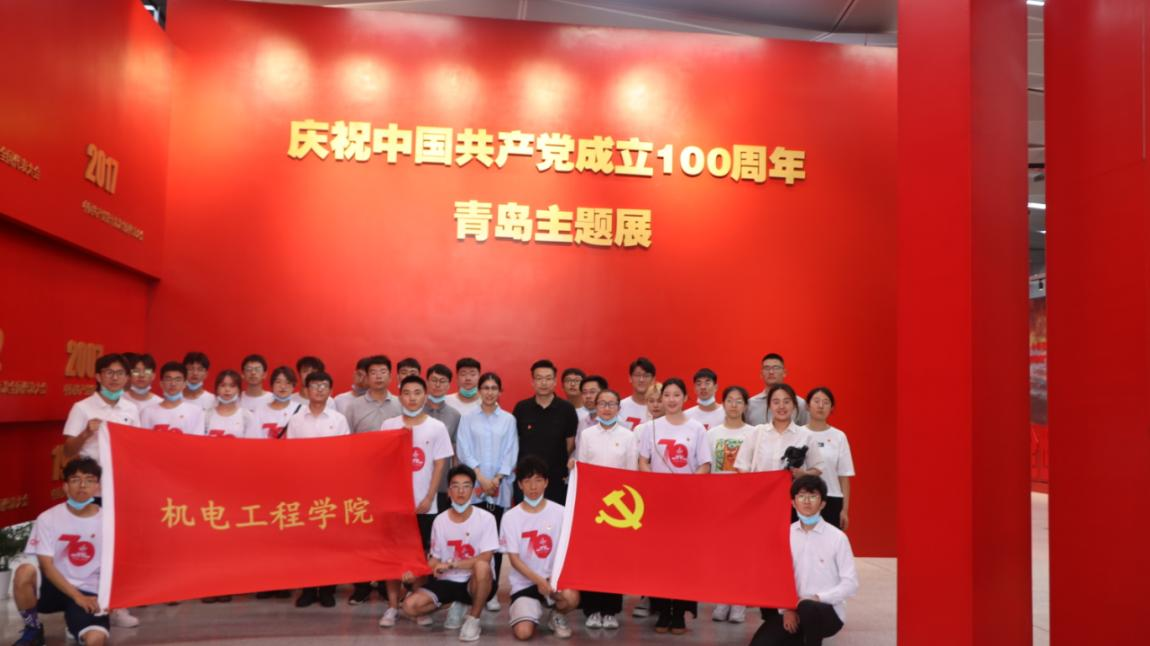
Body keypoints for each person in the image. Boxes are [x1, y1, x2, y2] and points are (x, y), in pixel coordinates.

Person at [376, 375, 454, 628]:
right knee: (393, 556)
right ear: (400, 397)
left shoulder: (436, 427)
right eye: (407, 393)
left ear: (425, 396)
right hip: (394, 505)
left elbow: (440, 464)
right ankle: (391, 607)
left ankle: (416, 603)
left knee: (420, 557)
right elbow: (382, 462)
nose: (412, 398)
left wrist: (430, 497)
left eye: (417, 392)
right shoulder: (389, 425)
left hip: (424, 504)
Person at [10, 458, 112, 646]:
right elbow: (46, 566)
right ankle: (33, 628)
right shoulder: (48, 518)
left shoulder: (110, 521)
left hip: (89, 590)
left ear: (98, 486)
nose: (82, 485)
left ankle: (76, 625)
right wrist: (76, 596)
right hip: (55, 587)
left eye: (89, 480)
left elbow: (120, 563)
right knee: (24, 571)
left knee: (95, 640)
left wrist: (111, 599)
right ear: (65, 486)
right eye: (75, 480)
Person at [637, 378, 710, 634]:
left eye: (676, 395)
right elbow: (643, 460)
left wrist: (688, 488)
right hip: (658, 502)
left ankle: (679, 611)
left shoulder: (697, 428)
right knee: (659, 557)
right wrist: (655, 484)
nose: (670, 400)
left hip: (687, 503)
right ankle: (662, 610)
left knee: (683, 558)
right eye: (666, 395)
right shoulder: (651, 428)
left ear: (685, 398)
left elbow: (705, 464)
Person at [750, 475, 859, 646]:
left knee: (808, 608)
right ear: (793, 503)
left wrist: (818, 598)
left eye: (813, 496)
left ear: (823, 503)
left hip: (827, 611)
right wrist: (786, 610)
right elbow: (777, 578)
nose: (807, 501)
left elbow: (851, 584)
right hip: (793, 611)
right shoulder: (785, 535)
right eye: (801, 496)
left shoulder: (837, 538)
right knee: (760, 643)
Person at [400, 465, 497, 643]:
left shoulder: (486, 519)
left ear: (473, 490)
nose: (461, 491)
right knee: (409, 606)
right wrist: (415, 574)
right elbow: (435, 558)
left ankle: (473, 619)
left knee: (482, 567)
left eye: (466, 486)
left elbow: (486, 557)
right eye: (455, 486)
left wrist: (453, 564)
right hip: (448, 580)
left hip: (474, 582)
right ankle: (455, 603)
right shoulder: (440, 520)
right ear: (449, 491)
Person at [568, 389, 636, 629]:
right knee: (592, 558)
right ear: (595, 407)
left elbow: (631, 473)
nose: (607, 408)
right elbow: (583, 468)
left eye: (611, 404)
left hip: (619, 508)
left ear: (619, 408)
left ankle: (610, 611)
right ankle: (592, 609)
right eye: (602, 404)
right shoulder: (587, 435)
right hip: (594, 505)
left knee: (614, 559)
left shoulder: (629, 436)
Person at [283, 371, 349, 609]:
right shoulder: (296, 420)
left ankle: (328, 589)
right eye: (314, 385)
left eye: (324, 385)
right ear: (306, 390)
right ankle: (308, 589)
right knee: (306, 540)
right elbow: (290, 454)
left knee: (329, 540)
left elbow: (345, 452)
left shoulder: (339, 419)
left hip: (331, 487)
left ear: (330, 390)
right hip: (304, 487)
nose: (319, 389)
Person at [457, 371, 519, 612]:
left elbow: (511, 450)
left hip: (499, 487)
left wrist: (497, 479)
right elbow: (464, 448)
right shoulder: (468, 419)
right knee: (473, 538)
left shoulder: (508, 420)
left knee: (494, 541)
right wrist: (481, 478)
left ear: (500, 391)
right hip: (474, 487)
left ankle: (491, 592)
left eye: (494, 388)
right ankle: (471, 587)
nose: (490, 392)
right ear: (479, 391)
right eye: (486, 388)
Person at [499, 456, 578, 640]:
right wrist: (539, 581)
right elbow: (514, 560)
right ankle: (525, 609)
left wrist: (552, 579)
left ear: (546, 482)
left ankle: (557, 615)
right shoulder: (511, 517)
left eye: (538, 480)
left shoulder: (561, 512)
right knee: (523, 633)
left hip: (553, 582)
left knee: (572, 597)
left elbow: (567, 550)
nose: (533, 487)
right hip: (524, 584)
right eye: (527, 481)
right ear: (520, 485)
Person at [704, 385, 755, 624]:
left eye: (739, 401)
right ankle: (722, 599)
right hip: (719, 501)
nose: (734, 405)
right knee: (722, 553)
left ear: (745, 405)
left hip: (745, 502)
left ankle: (739, 603)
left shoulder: (754, 433)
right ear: (723, 404)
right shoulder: (712, 434)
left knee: (742, 553)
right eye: (730, 400)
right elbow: (707, 467)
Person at [512, 360, 578, 504]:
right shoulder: (521, 408)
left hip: (555, 477)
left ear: (555, 382)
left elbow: (570, 443)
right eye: (539, 378)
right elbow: (515, 441)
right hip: (526, 477)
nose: (544, 383)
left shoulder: (567, 409)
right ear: (533, 382)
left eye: (548, 378)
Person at [62, 353, 140, 462]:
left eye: (120, 373)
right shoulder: (81, 407)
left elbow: (136, 444)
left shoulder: (132, 408)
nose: (115, 378)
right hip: (93, 470)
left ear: (127, 378)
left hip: (121, 468)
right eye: (109, 372)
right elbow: (68, 451)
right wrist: (86, 433)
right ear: (98, 377)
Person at [735, 384, 824, 478]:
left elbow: (817, 467)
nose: (781, 406)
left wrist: (804, 474)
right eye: (776, 402)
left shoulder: (806, 435)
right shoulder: (756, 433)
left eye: (786, 402)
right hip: (761, 487)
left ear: (794, 405)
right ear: (769, 405)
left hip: (795, 487)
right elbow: (742, 465)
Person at [802, 387, 855, 530]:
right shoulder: (798, 434)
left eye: (826, 402)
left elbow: (844, 476)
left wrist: (844, 510)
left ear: (831, 408)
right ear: (807, 406)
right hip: (802, 498)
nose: (821, 406)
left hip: (832, 498)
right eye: (816, 401)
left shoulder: (839, 436)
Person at [425, 363, 463, 511]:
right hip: (416, 481)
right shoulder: (415, 411)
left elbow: (455, 454)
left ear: (448, 385)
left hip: (442, 484)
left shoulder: (454, 415)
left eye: (442, 381)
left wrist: (454, 484)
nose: (437, 385)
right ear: (427, 382)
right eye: (434, 380)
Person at [140, 361, 206, 435]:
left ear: (184, 384)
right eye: (168, 379)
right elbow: (144, 439)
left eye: (178, 380)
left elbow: (197, 440)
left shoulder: (196, 411)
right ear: (161, 384)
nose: (173, 384)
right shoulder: (147, 412)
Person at [343, 355, 401, 435]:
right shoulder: (353, 407)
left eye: (383, 372)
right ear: (367, 378)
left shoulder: (400, 404)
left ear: (390, 377)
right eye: (373, 373)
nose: (378, 376)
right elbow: (347, 437)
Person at [747, 354, 809, 426]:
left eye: (776, 368)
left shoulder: (799, 403)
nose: (771, 372)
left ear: (784, 373)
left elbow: (806, 430)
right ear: (761, 374)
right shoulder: (750, 404)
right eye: (767, 368)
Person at [204, 370, 260, 439]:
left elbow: (253, 442)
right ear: (217, 389)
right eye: (223, 385)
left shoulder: (247, 416)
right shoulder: (206, 415)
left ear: (239, 390)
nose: (227, 389)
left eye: (232, 386)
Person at [253, 366, 302, 440]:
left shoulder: (301, 410)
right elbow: (254, 440)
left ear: (293, 387)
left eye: (288, 383)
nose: (283, 386)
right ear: (272, 385)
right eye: (278, 382)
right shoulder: (260, 411)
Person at [618, 357, 655, 430]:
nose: (641, 380)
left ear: (653, 380)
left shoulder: (660, 408)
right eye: (637, 375)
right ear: (630, 378)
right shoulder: (620, 406)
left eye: (646, 376)